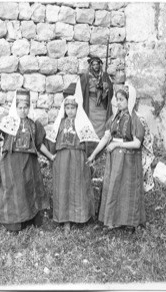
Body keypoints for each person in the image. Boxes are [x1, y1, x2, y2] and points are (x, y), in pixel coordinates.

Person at [0, 90, 55, 232]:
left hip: (29, 163)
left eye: (25, 107)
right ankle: (10, 220)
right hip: (11, 163)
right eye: (20, 107)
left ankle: (28, 217)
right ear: (15, 107)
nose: (23, 110)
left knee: (28, 188)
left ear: (29, 108)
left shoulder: (33, 124)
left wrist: (51, 156)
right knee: (11, 189)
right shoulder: (8, 121)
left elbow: (39, 144)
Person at [86, 85, 146, 232]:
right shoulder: (115, 118)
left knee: (127, 188)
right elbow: (107, 136)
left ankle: (130, 222)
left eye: (122, 100)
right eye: (117, 100)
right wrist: (93, 155)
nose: (118, 103)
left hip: (129, 160)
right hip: (115, 159)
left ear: (129, 100)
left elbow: (137, 143)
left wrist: (117, 146)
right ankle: (113, 221)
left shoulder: (135, 119)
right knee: (113, 187)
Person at [47, 81, 99, 232]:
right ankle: (65, 219)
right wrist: (53, 156)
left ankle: (80, 217)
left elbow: (90, 142)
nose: (70, 111)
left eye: (73, 108)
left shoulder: (82, 122)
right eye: (67, 108)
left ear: (78, 108)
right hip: (63, 158)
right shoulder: (60, 123)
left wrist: (89, 157)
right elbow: (52, 140)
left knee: (79, 185)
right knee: (63, 186)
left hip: (78, 158)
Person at [79, 56, 114, 142]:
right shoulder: (86, 76)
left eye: (97, 64)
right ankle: (92, 141)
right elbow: (80, 89)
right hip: (91, 102)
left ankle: (102, 141)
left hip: (102, 103)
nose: (96, 66)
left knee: (103, 120)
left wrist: (107, 87)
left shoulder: (104, 75)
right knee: (91, 121)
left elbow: (111, 89)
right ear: (91, 66)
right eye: (94, 64)